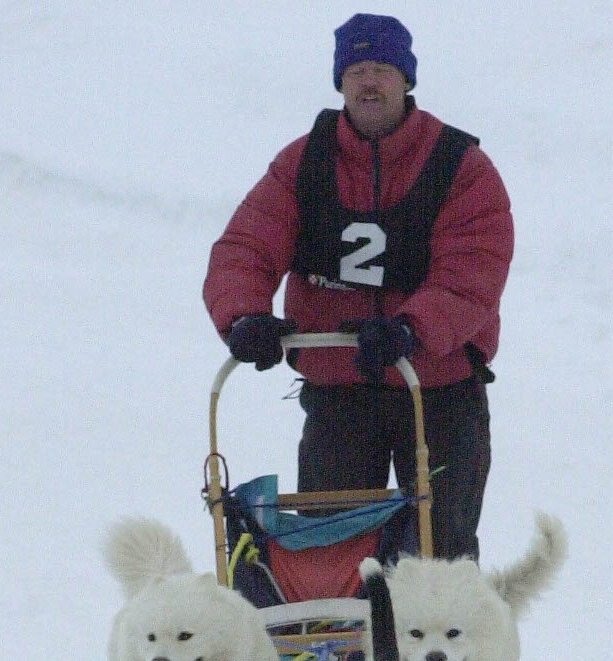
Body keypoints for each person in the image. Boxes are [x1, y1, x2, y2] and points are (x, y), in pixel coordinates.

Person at [203, 13, 514, 560]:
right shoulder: (303, 163)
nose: (370, 83)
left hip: (438, 389)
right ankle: (344, 645)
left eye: (384, 70)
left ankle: (441, 645)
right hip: (341, 388)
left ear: (406, 79)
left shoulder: (461, 166)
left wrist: (412, 328)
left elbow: (474, 271)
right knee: (334, 549)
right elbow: (246, 249)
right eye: (358, 70)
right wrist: (243, 316)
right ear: (340, 81)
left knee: (441, 555)